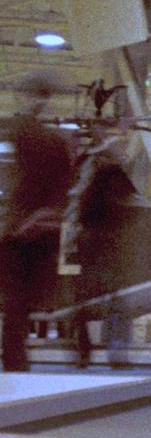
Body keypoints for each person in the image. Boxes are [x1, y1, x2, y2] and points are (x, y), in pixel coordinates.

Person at [1, 71, 75, 371]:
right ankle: (16, 358)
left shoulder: (14, 130)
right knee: (24, 298)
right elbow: (64, 186)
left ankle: (15, 358)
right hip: (41, 228)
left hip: (15, 228)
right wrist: (48, 215)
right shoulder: (56, 141)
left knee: (15, 298)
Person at [68, 97, 141, 367]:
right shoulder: (93, 160)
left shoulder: (108, 163)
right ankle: (86, 347)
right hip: (92, 234)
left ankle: (109, 350)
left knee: (111, 294)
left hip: (106, 234)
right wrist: (120, 134)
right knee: (92, 294)